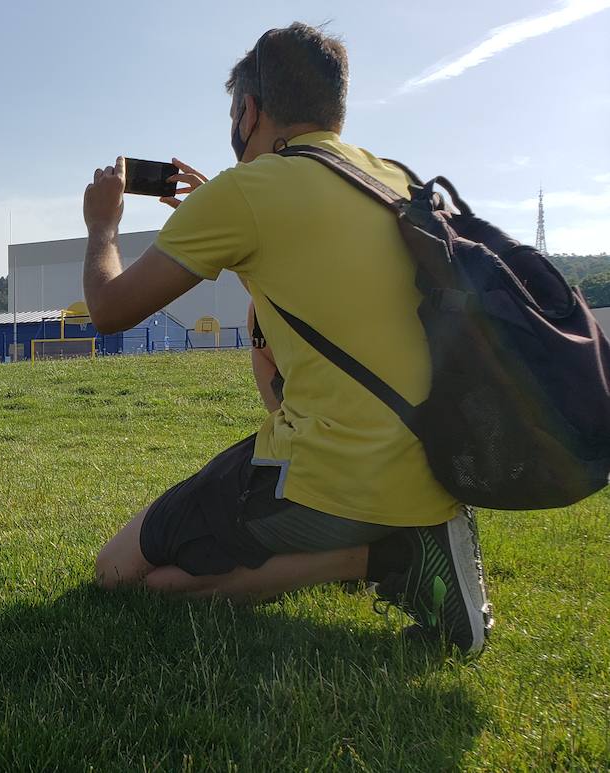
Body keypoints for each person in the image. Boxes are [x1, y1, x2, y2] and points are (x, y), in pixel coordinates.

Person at [84, 23, 493, 654]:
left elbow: (109, 310)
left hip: (337, 476)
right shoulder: (395, 180)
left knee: (123, 577)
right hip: (435, 464)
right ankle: (403, 538)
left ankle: (385, 557)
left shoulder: (244, 194)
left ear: (249, 110)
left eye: (233, 112)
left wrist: (103, 227)